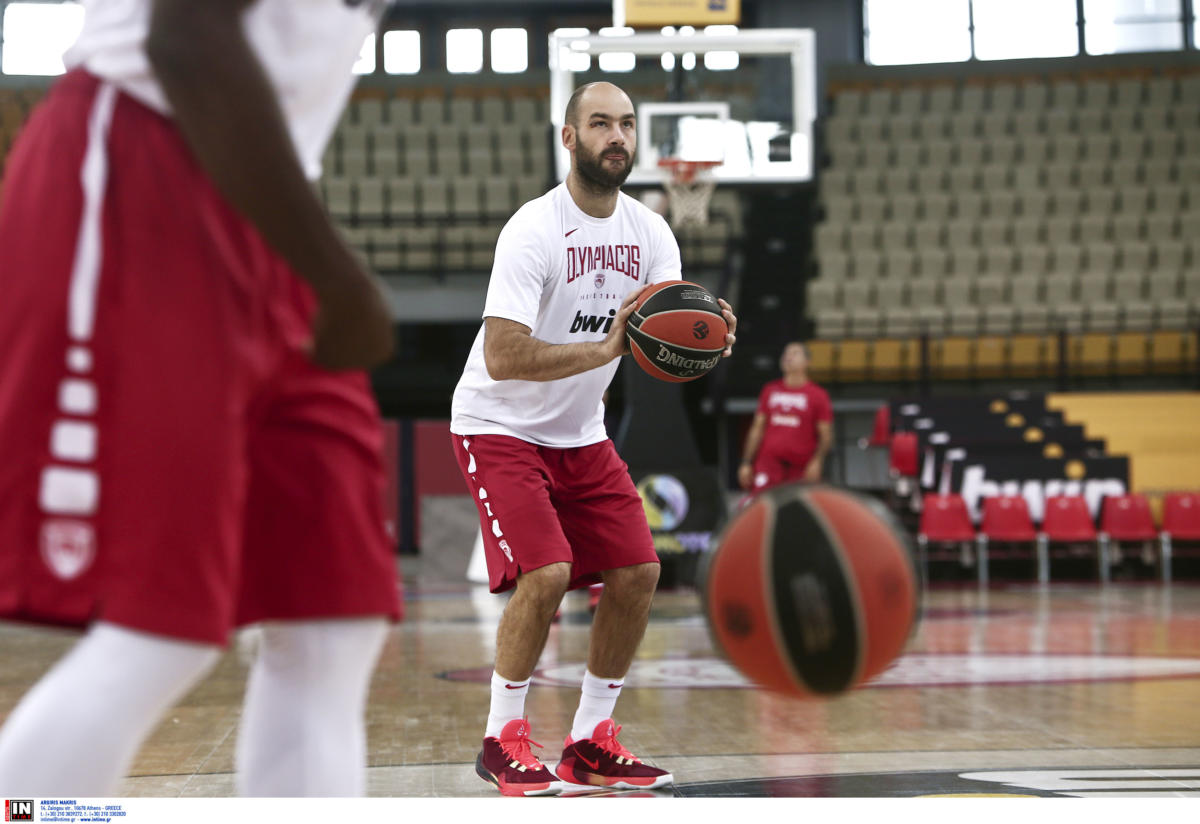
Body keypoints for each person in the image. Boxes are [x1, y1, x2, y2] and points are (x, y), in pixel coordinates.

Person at [0, 0, 400, 797]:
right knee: (159, 626)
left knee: (331, 617)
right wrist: (338, 275)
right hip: (143, 160)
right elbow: (186, 34)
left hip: (266, 196)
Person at [450, 81, 737, 797]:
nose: (618, 136)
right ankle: (502, 737)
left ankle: (590, 740)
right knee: (545, 574)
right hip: (499, 425)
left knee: (640, 572)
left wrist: (704, 334)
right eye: (600, 123)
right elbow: (504, 356)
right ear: (570, 138)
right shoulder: (533, 230)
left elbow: (666, 333)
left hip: (580, 432)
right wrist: (609, 346)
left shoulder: (652, 233)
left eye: (627, 124)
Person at [738, 342, 833, 493]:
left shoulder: (818, 395)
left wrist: (818, 461)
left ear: (807, 362)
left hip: (801, 465)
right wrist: (746, 462)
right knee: (763, 504)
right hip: (769, 462)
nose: (788, 357)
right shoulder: (770, 390)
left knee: (797, 510)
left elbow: (826, 435)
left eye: (795, 353)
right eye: (786, 354)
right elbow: (757, 429)